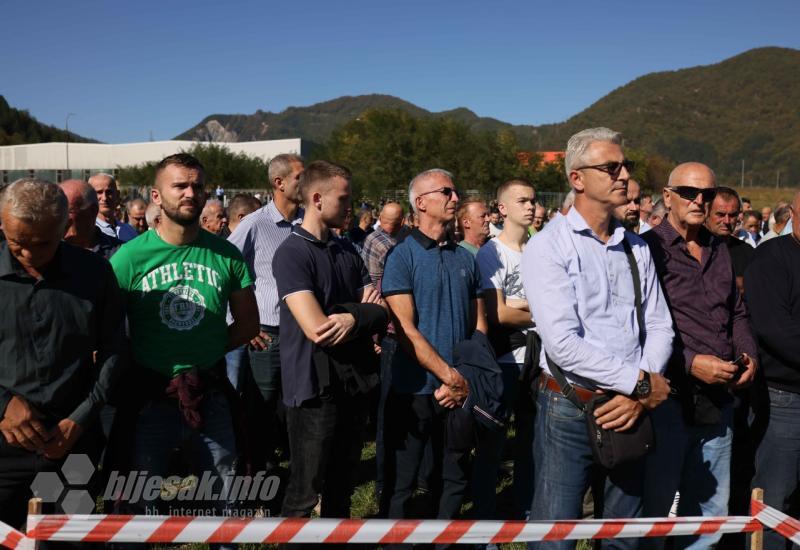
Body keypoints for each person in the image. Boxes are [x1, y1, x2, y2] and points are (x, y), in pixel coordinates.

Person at [522, 128, 673, 550]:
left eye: (625, 166)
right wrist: (640, 384)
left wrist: (638, 392)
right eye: (611, 167)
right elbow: (563, 344)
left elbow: (659, 325)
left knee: (624, 536)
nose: (624, 175)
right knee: (556, 535)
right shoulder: (550, 246)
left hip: (630, 408)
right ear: (577, 179)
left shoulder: (636, 247)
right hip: (571, 405)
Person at [110, 154, 258, 528]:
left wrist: (204, 348)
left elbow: (247, 325)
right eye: (180, 185)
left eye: (196, 185)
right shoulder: (129, 257)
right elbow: (108, 327)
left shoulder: (226, 254)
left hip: (209, 391)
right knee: (141, 503)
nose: (190, 193)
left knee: (225, 495)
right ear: (157, 196)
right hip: (149, 395)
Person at [641, 162, 758, 550]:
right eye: (690, 192)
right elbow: (643, 326)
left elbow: (735, 311)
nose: (700, 200)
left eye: (707, 194)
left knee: (710, 512)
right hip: (669, 398)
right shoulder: (648, 249)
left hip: (720, 399)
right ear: (668, 196)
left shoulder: (719, 248)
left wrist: (748, 353)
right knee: (655, 512)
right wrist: (691, 362)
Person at [0, 178, 126, 528]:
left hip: (71, 443)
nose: (27, 254)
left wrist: (80, 418)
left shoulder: (95, 273)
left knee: (68, 535)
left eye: (41, 244)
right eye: (16, 243)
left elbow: (115, 350)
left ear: (65, 227)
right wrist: (4, 404)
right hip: (3, 446)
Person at [272, 160, 387, 518]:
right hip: (312, 390)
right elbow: (319, 330)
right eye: (344, 197)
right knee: (304, 493)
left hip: (353, 384)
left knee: (342, 488)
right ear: (318, 199)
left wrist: (353, 315)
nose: (351, 205)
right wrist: (361, 313)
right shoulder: (292, 253)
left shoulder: (345, 251)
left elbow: (381, 310)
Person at [381, 168, 488, 522]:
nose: (455, 198)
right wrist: (448, 376)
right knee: (404, 482)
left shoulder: (465, 258)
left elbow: (479, 327)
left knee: (454, 474)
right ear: (422, 202)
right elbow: (406, 330)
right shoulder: (402, 256)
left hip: (459, 389)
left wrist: (465, 378)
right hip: (416, 389)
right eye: (447, 192)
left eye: (455, 192)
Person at [227, 153, 304, 471]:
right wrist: (242, 324)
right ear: (279, 182)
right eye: (301, 176)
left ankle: (296, 481)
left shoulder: (307, 224)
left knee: (297, 410)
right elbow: (225, 269)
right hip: (267, 336)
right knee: (261, 411)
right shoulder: (255, 224)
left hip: (302, 334)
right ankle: (257, 483)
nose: (307, 182)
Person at [475, 178, 536, 520]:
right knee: (493, 444)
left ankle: (526, 509)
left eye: (533, 200)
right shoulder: (492, 253)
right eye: (522, 200)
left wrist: (521, 305)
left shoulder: (540, 249)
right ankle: (484, 520)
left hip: (540, 360)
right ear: (502, 208)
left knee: (532, 442)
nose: (530, 206)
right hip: (505, 359)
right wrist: (538, 308)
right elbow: (498, 312)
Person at [744, 189, 800, 550]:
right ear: (794, 212)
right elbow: (775, 329)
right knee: (776, 502)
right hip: (784, 399)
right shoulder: (771, 257)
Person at [705, 187, 754, 296]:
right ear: (706, 213)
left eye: (732, 215)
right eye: (720, 214)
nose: (727, 221)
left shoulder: (747, 252)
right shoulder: (692, 247)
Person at [59, 179, 123, 260]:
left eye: (68, 211)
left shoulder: (120, 253)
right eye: (57, 211)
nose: (60, 217)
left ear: (92, 211)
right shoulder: (47, 253)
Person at [88, 173, 138, 242]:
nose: (104, 198)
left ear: (117, 195)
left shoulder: (129, 231)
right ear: (89, 196)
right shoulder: (86, 232)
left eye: (109, 192)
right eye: (99, 192)